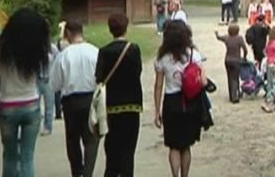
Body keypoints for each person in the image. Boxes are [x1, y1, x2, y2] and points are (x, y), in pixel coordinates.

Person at [0, 8, 50, 177]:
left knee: (10, 157)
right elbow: (45, 75)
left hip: (8, 106)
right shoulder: (37, 47)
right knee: (27, 158)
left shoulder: (1, 47)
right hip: (31, 105)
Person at [154, 20, 208, 177]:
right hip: (191, 101)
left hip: (171, 102)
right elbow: (203, 81)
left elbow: (158, 86)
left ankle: (175, 175)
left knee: (174, 146)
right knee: (186, 145)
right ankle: (185, 175)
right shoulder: (194, 55)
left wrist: (157, 111)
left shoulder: (162, 57)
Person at [50, 20, 100, 177]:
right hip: (90, 98)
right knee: (91, 139)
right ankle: (88, 172)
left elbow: (54, 84)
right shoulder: (94, 52)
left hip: (71, 101)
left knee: (73, 140)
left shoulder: (64, 55)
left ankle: (77, 171)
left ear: (69, 34)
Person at [95, 14, 143, 177]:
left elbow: (99, 78)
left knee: (113, 150)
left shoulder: (104, 51)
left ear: (110, 30)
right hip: (132, 106)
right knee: (128, 151)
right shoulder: (134, 49)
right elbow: (138, 72)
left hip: (112, 107)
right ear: (126, 27)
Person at [214, 23, 248, 104]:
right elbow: (245, 49)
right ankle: (234, 96)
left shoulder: (227, 38)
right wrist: (244, 57)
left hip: (227, 60)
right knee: (235, 78)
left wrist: (216, 33)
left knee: (230, 78)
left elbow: (219, 38)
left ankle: (231, 95)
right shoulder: (239, 38)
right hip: (236, 60)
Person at [38, 41, 59, 136]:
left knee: (49, 105)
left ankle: (48, 126)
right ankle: (35, 126)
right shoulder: (35, 47)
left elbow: (58, 60)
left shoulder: (52, 48)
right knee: (35, 105)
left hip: (48, 80)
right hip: (37, 79)